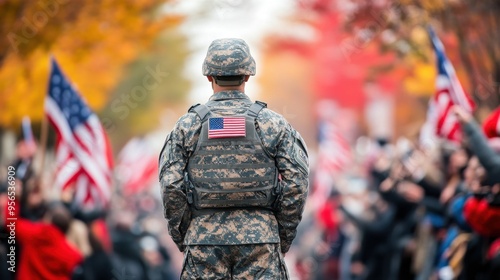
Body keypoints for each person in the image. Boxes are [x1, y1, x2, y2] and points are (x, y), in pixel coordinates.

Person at [159, 38, 309, 279]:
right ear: (248, 76)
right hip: (261, 243)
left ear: (209, 76)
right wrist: (279, 234)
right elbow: (297, 183)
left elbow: (170, 186)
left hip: (203, 243)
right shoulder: (272, 124)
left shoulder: (188, 126)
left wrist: (188, 233)